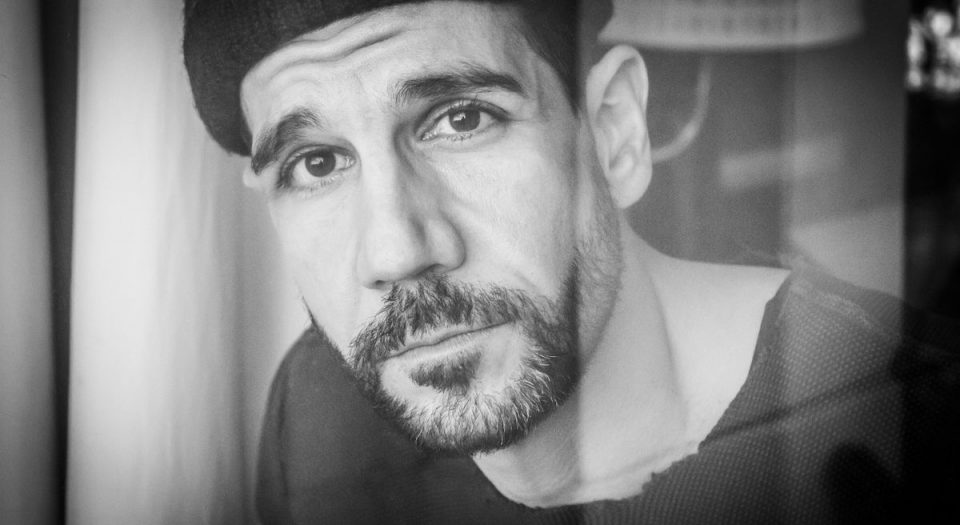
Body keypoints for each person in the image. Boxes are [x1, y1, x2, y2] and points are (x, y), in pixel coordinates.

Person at [183, 0, 960, 522]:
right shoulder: (317, 412)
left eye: (462, 118)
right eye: (316, 163)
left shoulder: (906, 427)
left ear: (614, 131)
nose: (396, 251)